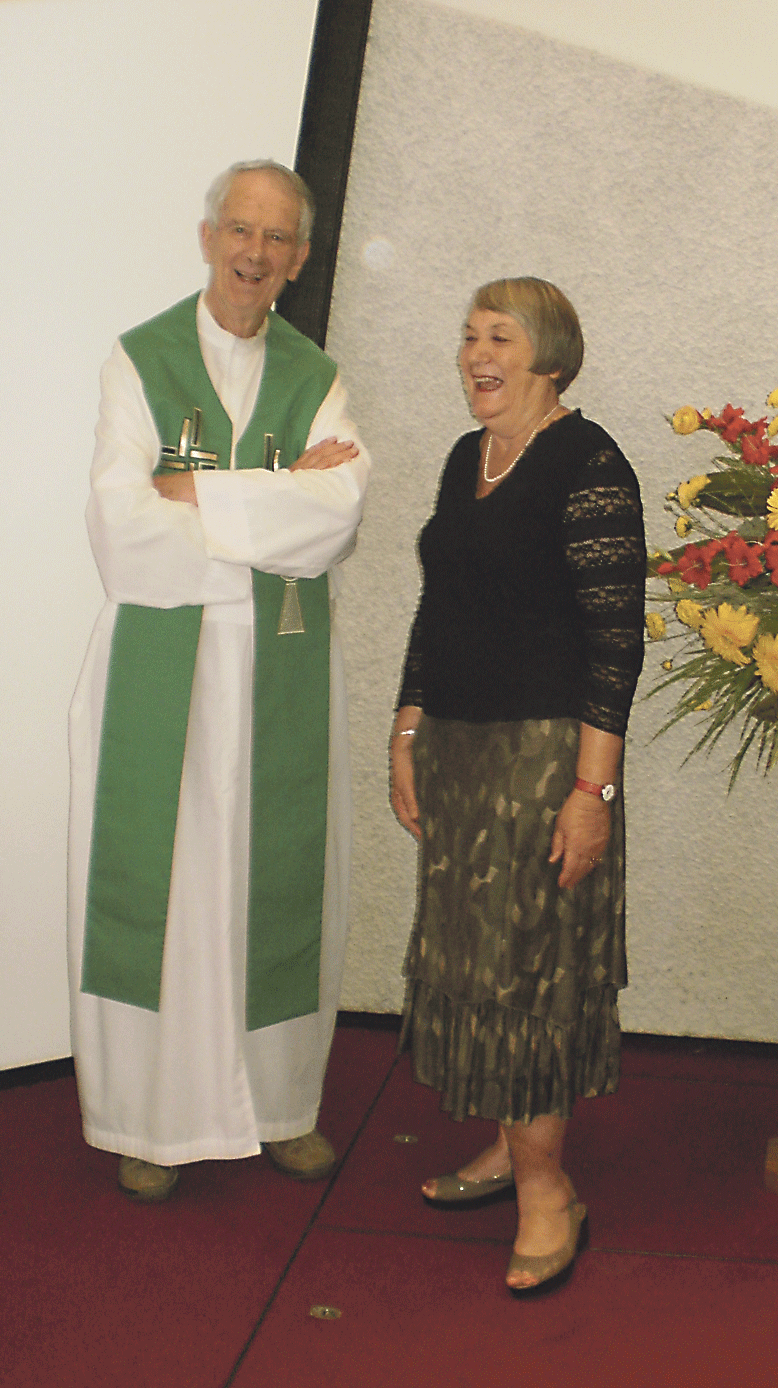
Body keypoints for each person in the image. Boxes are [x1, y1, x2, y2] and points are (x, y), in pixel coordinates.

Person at [68, 160, 371, 1201]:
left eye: (276, 238)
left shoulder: (313, 371)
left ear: (297, 258)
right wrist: (270, 501)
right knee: (173, 890)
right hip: (165, 666)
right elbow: (122, 530)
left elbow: (336, 518)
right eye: (238, 229)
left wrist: (191, 486)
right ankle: (151, 1120)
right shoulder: (137, 359)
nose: (254, 252)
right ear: (207, 237)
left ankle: (278, 1105)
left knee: (271, 887)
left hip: (277, 669)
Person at [390, 277, 645, 1293]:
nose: (474, 353)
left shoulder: (589, 463)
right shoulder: (469, 456)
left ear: (550, 356)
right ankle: (510, 1143)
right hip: (456, 749)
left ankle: (551, 1189)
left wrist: (594, 793)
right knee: (477, 969)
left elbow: (614, 643)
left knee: (531, 976)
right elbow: (438, 602)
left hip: (544, 762)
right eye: (466, 336)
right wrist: (408, 726)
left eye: (498, 337)